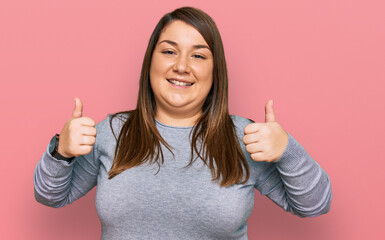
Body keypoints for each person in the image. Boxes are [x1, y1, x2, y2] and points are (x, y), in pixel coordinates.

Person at [33, 6, 332, 240]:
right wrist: (62, 151)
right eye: (169, 51)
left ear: (216, 72)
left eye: (198, 56)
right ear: (151, 61)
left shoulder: (245, 138)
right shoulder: (112, 132)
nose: (181, 66)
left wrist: (287, 150)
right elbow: (50, 196)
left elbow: (315, 204)